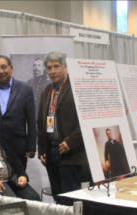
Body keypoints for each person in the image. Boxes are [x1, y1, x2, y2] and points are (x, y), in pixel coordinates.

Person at [36, 51, 91, 201]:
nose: (52, 71)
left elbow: (86, 120)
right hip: (51, 151)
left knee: (71, 196)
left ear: (65, 67)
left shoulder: (76, 87)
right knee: (57, 194)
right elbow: (41, 122)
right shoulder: (46, 91)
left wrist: (71, 142)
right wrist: (41, 149)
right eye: (49, 68)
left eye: (56, 66)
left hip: (69, 152)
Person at [0, 55, 36, 168]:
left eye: (3, 67)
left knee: (19, 181)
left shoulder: (25, 89)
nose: (0, 71)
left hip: (17, 147)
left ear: (11, 68)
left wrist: (31, 147)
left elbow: (31, 121)